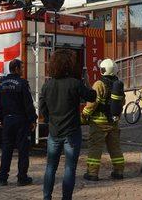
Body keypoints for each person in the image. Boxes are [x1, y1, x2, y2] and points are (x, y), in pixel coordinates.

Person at [39, 49, 96, 200]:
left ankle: (46, 197)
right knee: (69, 168)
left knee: (51, 167)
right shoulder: (75, 84)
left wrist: (50, 121)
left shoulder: (47, 85)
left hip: (54, 133)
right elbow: (92, 96)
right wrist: (88, 82)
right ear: (69, 65)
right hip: (71, 132)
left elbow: (42, 109)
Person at [81, 58, 125, 181]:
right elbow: (122, 102)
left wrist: (84, 115)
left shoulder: (99, 84)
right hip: (114, 122)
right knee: (115, 147)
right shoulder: (118, 85)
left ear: (103, 70)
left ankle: (92, 173)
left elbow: (92, 103)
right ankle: (119, 171)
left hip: (98, 123)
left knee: (95, 148)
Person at [0, 59, 37, 186]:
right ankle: (22, 177)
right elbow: (28, 104)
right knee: (23, 150)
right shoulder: (22, 83)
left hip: (7, 120)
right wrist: (32, 120)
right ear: (17, 69)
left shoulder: (1, 83)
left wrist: (0, 119)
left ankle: (2, 177)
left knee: (6, 149)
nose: (23, 70)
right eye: (22, 68)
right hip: (21, 121)